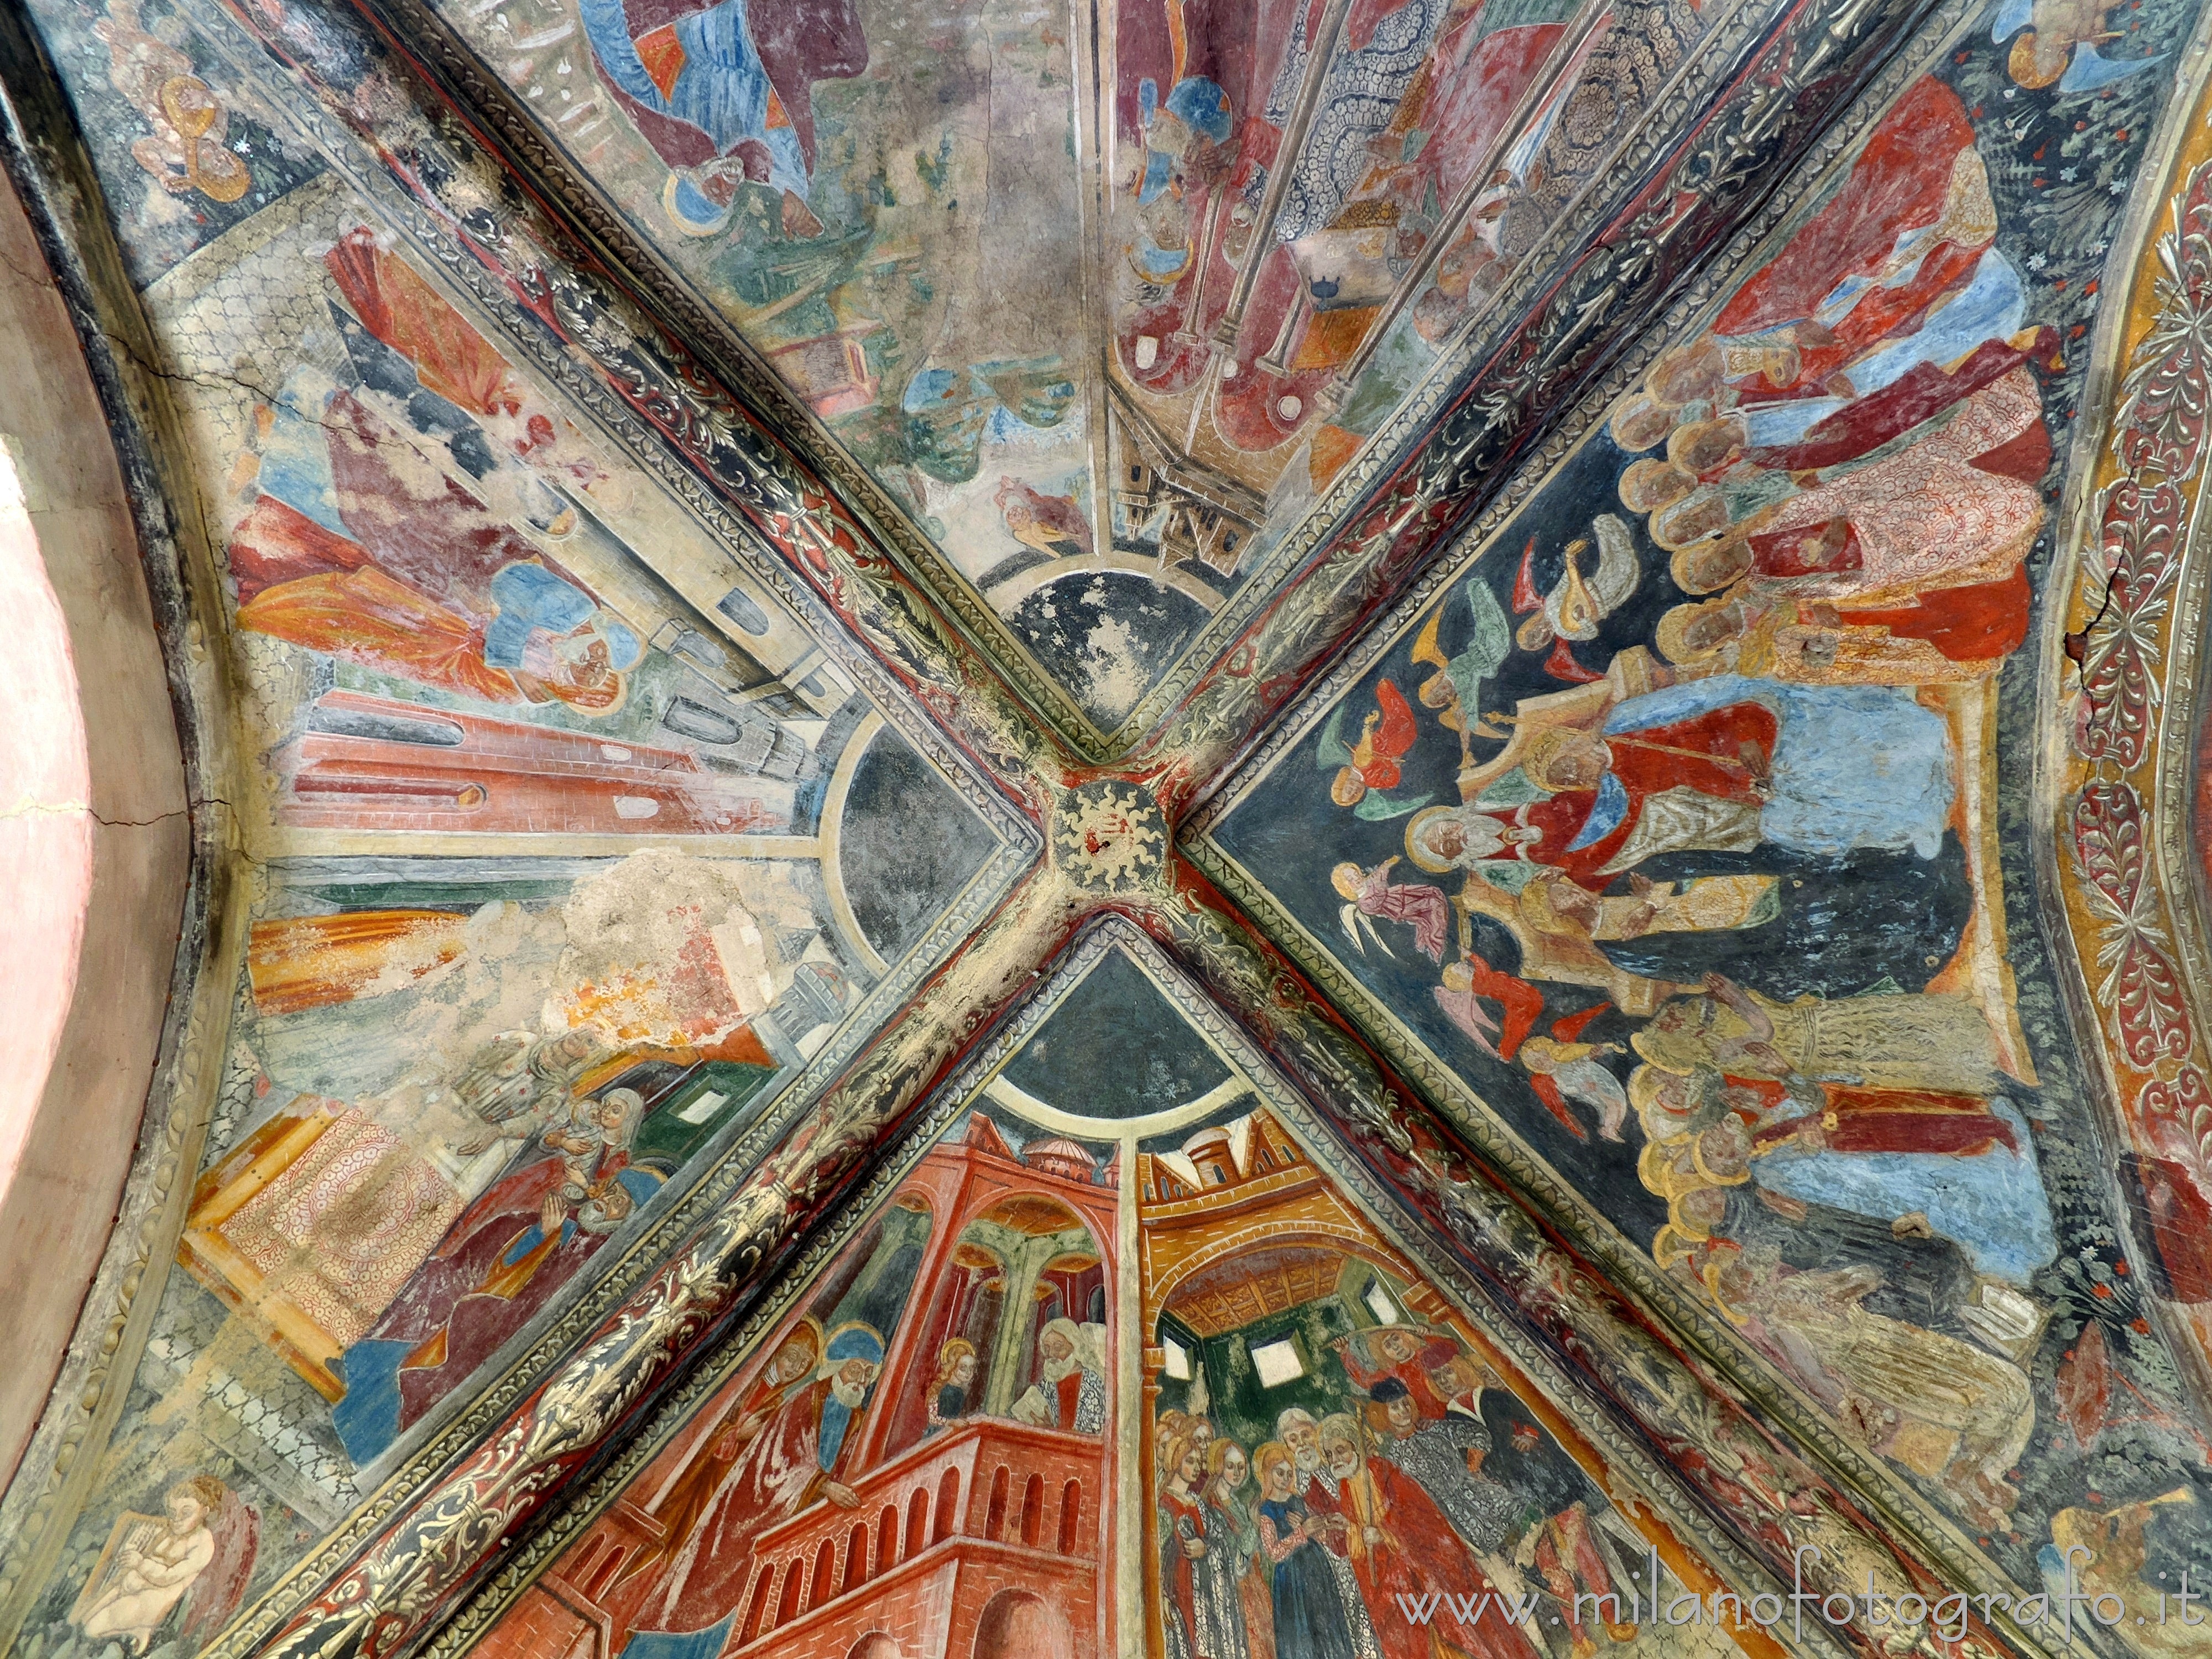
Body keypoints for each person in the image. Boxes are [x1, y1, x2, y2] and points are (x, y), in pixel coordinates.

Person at [655, 1321, 884, 1628]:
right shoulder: (805, 1400)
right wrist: (824, 1487)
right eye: (856, 1370)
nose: (862, 1382)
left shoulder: (860, 1420)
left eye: (868, 1374)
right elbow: (776, 1462)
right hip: (759, 1514)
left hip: (806, 1522)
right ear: (836, 1368)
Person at [1319, 1415, 1540, 1659]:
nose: (1335, 1460)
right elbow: (1363, 1544)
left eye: (1340, 1450)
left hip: (1427, 1571)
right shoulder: (1346, 1489)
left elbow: (1419, 1517)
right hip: (1395, 1585)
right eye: (1329, 1455)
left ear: (1357, 1444)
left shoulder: (1383, 1471)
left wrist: (1384, 1534)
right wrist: (1352, 1529)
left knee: (1463, 1631)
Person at [74, 1477, 258, 1656]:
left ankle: (141, 1629)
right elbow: (136, 1546)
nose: (176, 1519)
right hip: (129, 1586)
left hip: (152, 1599)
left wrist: (140, 1563)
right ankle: (134, 1632)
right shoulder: (166, 1530)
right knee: (84, 1619)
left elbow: (169, 1576)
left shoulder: (203, 1541)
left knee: (92, 1628)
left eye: (186, 1513)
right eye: (172, 1512)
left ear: (204, 1511)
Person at [1254, 1439, 1361, 1659]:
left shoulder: (1299, 1501)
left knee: (1326, 1627)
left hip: (1317, 1570)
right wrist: (1301, 1532)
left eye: (1288, 1473)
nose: (1285, 1478)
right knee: (1303, 1634)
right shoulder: (1266, 1510)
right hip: (1292, 1580)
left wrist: (1320, 1526)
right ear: (1267, 1474)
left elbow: (1320, 1536)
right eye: (1279, 1473)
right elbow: (1273, 1553)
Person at [1197, 1440, 1264, 1659]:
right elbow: (1235, 1554)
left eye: (1241, 1467)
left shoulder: (1235, 1502)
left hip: (1251, 1585)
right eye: (1230, 1466)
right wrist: (1254, 1526)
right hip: (1231, 1588)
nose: (1236, 1472)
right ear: (1218, 1466)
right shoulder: (1211, 1505)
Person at [1161, 1430, 1211, 1659]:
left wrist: (1206, 1547)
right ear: (1175, 1460)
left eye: (1199, 1462)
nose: (1197, 1466)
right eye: (1190, 1461)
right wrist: (1161, 1595)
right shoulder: (1164, 1503)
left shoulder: (1198, 1503)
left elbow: (1213, 1540)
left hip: (1201, 1585)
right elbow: (1158, 1554)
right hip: (1177, 1584)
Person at [1011, 1317, 1108, 1432]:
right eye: (1047, 1348)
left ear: (1074, 1346)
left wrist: (1051, 1430)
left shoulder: (1093, 1382)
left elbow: (1091, 1434)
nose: (1051, 1354)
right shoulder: (1048, 1384)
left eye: (1058, 1347)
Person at [926, 1337, 978, 1436]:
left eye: (971, 1368)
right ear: (953, 1366)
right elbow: (933, 1419)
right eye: (963, 1368)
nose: (968, 1373)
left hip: (950, 1434)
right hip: (935, 1435)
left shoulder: (960, 1392)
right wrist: (951, 1422)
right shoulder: (940, 1389)